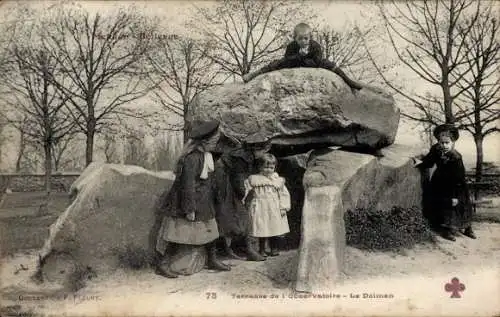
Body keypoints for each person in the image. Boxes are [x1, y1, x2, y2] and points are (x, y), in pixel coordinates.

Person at [155, 119, 230, 278]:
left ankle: (212, 259)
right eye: (214, 142)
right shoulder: (192, 158)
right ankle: (163, 263)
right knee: (177, 233)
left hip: (204, 202)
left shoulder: (207, 156)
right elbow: (187, 185)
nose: (216, 145)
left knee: (211, 230)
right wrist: (189, 209)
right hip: (187, 202)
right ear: (204, 142)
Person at [242, 22, 362, 91]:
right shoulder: (292, 46)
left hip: (312, 63)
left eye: (306, 38)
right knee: (276, 63)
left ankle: (349, 82)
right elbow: (287, 60)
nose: (304, 41)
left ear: (310, 38)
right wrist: (299, 56)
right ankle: (253, 74)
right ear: (295, 38)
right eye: (300, 39)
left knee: (330, 64)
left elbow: (317, 61)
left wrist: (306, 58)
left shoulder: (315, 46)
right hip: (296, 62)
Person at [213, 133, 272, 261]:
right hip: (222, 180)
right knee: (231, 213)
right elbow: (238, 179)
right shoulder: (242, 157)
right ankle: (244, 249)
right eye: (263, 151)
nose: (263, 154)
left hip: (227, 179)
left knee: (234, 214)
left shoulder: (246, 155)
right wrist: (243, 194)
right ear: (256, 149)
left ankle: (237, 248)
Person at [413, 124, 476, 241]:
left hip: (456, 184)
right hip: (440, 181)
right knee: (442, 203)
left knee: (459, 204)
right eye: (442, 142)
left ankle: (467, 228)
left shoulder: (456, 157)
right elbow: (430, 161)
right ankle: (445, 229)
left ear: (452, 142)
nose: (444, 145)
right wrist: (419, 163)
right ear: (438, 141)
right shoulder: (436, 149)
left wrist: (455, 196)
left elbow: (458, 177)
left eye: (447, 143)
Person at [244, 153, 291, 258]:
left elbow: (284, 194)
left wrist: (284, 207)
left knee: (274, 227)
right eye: (266, 167)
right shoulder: (254, 179)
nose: (269, 170)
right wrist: (246, 201)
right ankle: (262, 249)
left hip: (274, 207)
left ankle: (274, 248)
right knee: (262, 228)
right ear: (260, 167)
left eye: (271, 167)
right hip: (260, 206)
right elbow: (246, 191)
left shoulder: (277, 180)